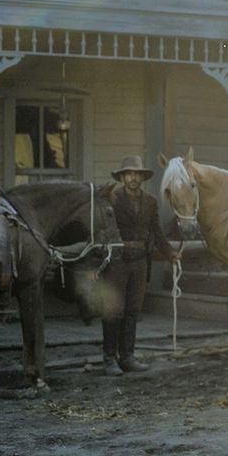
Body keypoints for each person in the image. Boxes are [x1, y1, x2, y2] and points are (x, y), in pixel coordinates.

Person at [98, 155, 177, 376]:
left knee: (133, 310)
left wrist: (169, 253)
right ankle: (109, 359)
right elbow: (101, 228)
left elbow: (157, 231)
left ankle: (127, 357)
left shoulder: (150, 201)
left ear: (142, 177)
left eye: (137, 174)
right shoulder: (112, 199)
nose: (133, 178)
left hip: (140, 261)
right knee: (114, 310)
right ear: (122, 177)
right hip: (117, 261)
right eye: (129, 174)